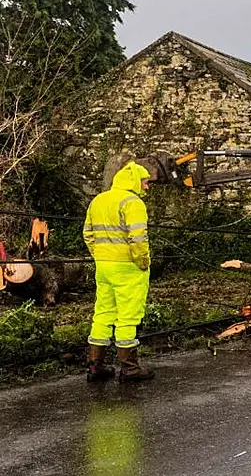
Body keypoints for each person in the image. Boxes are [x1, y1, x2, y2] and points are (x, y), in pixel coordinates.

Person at [83, 161, 154, 383]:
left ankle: (96, 366)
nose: (147, 187)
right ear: (135, 181)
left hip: (103, 266)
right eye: (145, 182)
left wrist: (100, 255)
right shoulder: (133, 203)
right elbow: (138, 238)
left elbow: (88, 234)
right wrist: (143, 260)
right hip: (128, 268)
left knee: (103, 312)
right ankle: (130, 368)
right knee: (128, 316)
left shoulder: (99, 200)